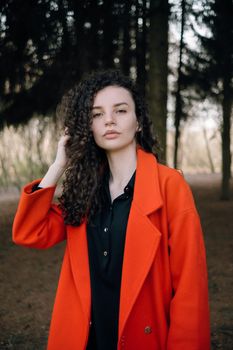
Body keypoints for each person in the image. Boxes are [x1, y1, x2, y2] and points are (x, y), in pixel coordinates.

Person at [13, 69, 210, 350]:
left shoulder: (170, 186)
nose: (108, 120)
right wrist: (58, 166)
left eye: (120, 110)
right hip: (85, 339)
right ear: (88, 127)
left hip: (143, 338)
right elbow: (29, 233)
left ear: (138, 121)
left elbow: (190, 287)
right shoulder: (85, 190)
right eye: (96, 114)